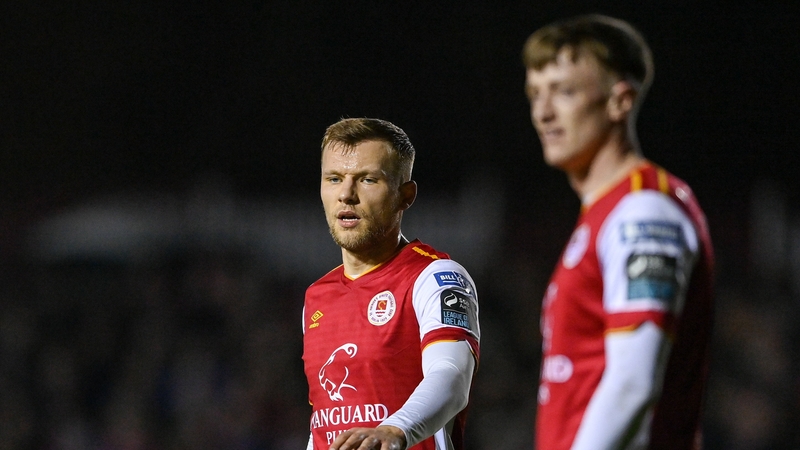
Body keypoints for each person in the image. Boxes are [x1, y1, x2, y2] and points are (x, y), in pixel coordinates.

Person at [522, 14, 715, 449]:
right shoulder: (607, 212)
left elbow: (633, 384)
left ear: (619, 101)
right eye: (535, 93)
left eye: (564, 92)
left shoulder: (645, 213)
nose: (542, 112)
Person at [302, 118, 481, 450]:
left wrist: (396, 430)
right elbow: (323, 424)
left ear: (405, 195)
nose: (346, 195)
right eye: (334, 179)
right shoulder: (317, 297)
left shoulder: (435, 277)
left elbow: (451, 375)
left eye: (368, 179)